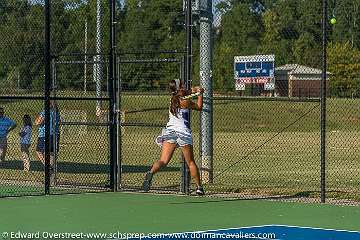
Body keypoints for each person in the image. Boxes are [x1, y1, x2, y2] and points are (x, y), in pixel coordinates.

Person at [142, 79, 205, 195]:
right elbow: (199, 107)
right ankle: (199, 188)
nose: (185, 85)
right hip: (183, 134)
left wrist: (197, 89)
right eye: (182, 84)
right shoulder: (185, 101)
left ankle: (151, 172)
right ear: (179, 88)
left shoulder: (172, 99)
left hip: (170, 132)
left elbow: (189, 90)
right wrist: (200, 95)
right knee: (191, 162)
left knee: (163, 161)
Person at [35, 101, 61, 170]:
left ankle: (47, 166)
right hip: (56, 134)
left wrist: (38, 119)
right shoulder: (56, 112)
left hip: (45, 134)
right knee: (52, 152)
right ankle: (51, 168)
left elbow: (38, 122)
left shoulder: (45, 112)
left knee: (39, 151)